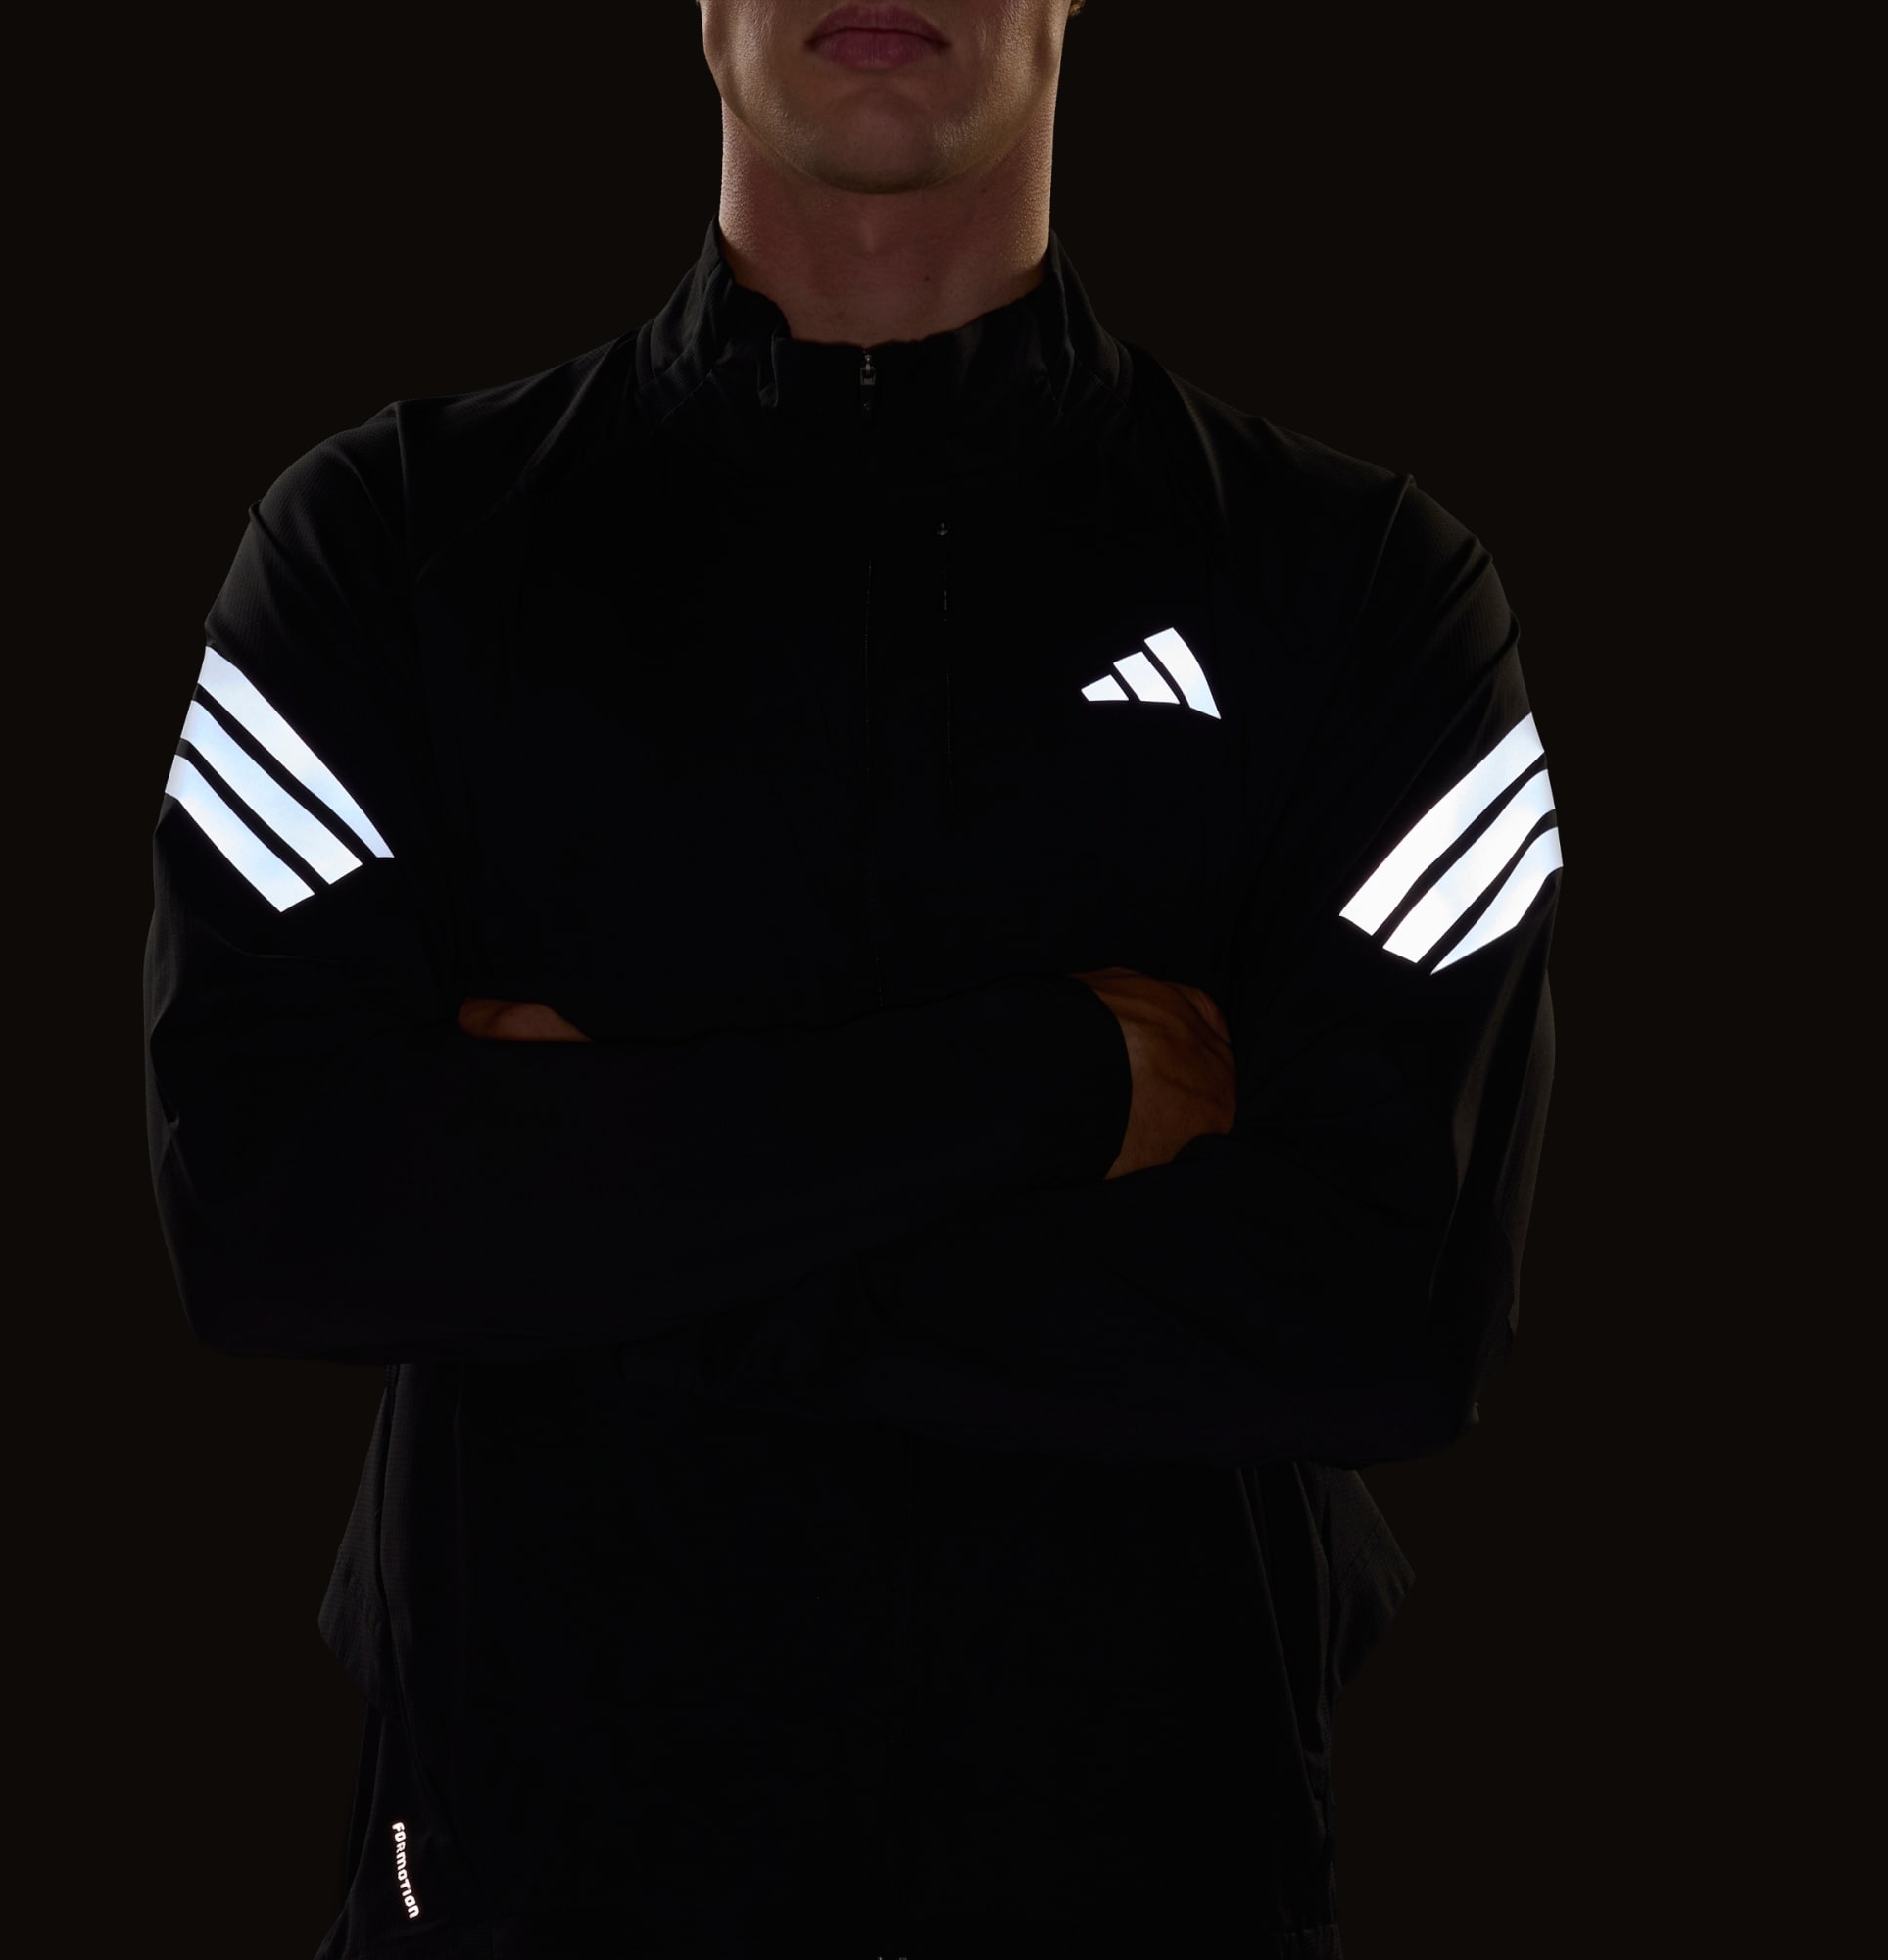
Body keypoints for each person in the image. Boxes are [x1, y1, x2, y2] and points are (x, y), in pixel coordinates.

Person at [141, 2, 1563, 1954]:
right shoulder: (384, 544)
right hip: (521, 1869)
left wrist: (578, 1210)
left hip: (1148, 1870)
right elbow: (271, 1214)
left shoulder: (1367, 586)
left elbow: (1390, 1314)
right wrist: (1055, 1081)